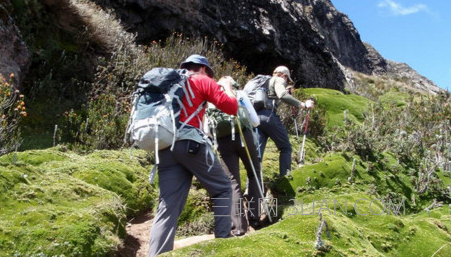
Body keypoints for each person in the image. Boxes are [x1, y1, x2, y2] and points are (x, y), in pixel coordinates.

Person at [149, 54, 238, 257]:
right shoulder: (201, 79)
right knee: (223, 188)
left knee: (167, 206)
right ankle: (223, 246)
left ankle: (156, 254)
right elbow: (231, 108)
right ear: (204, 69)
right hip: (190, 144)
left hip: (164, 146)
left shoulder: (170, 84)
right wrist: (227, 88)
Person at [211, 78, 262, 236]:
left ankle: (238, 227)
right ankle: (255, 216)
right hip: (242, 135)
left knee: (232, 181)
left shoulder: (212, 99)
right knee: (254, 172)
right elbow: (255, 121)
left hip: (222, 141)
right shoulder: (239, 94)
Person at [256, 66, 314, 176]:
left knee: (257, 154)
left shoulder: (264, 81)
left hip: (255, 118)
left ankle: (251, 188)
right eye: (287, 80)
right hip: (269, 117)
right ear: (284, 75)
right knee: (285, 148)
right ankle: (285, 178)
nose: (286, 82)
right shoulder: (279, 79)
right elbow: (282, 95)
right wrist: (303, 105)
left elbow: (272, 99)